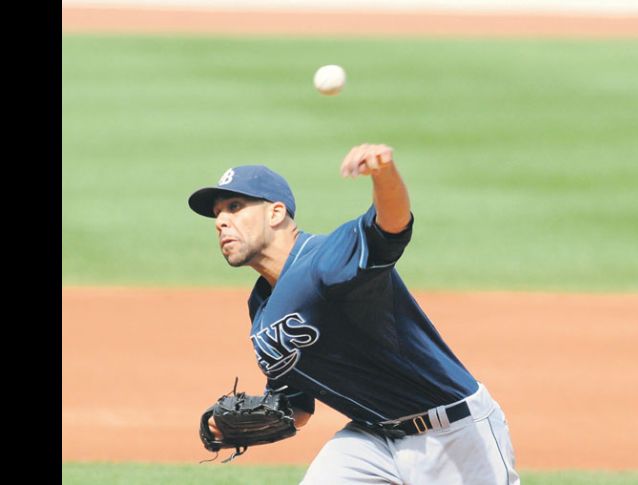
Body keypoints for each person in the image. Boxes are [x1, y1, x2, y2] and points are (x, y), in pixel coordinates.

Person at [188, 143, 520, 484]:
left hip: (451, 432)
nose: (221, 222)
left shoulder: (324, 260)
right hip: (372, 438)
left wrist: (383, 174)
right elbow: (296, 405)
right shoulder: (260, 305)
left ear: (275, 213)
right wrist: (240, 422)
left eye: (235, 207)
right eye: (218, 214)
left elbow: (391, 226)